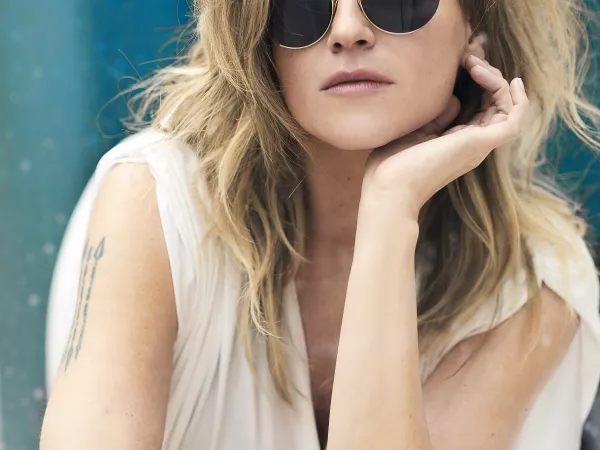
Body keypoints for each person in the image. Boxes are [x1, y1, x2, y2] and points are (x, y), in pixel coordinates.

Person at [40, 0, 600, 449]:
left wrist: (389, 212)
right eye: (301, 6)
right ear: (258, 31)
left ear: (473, 22)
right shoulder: (154, 203)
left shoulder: (535, 280)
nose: (349, 31)